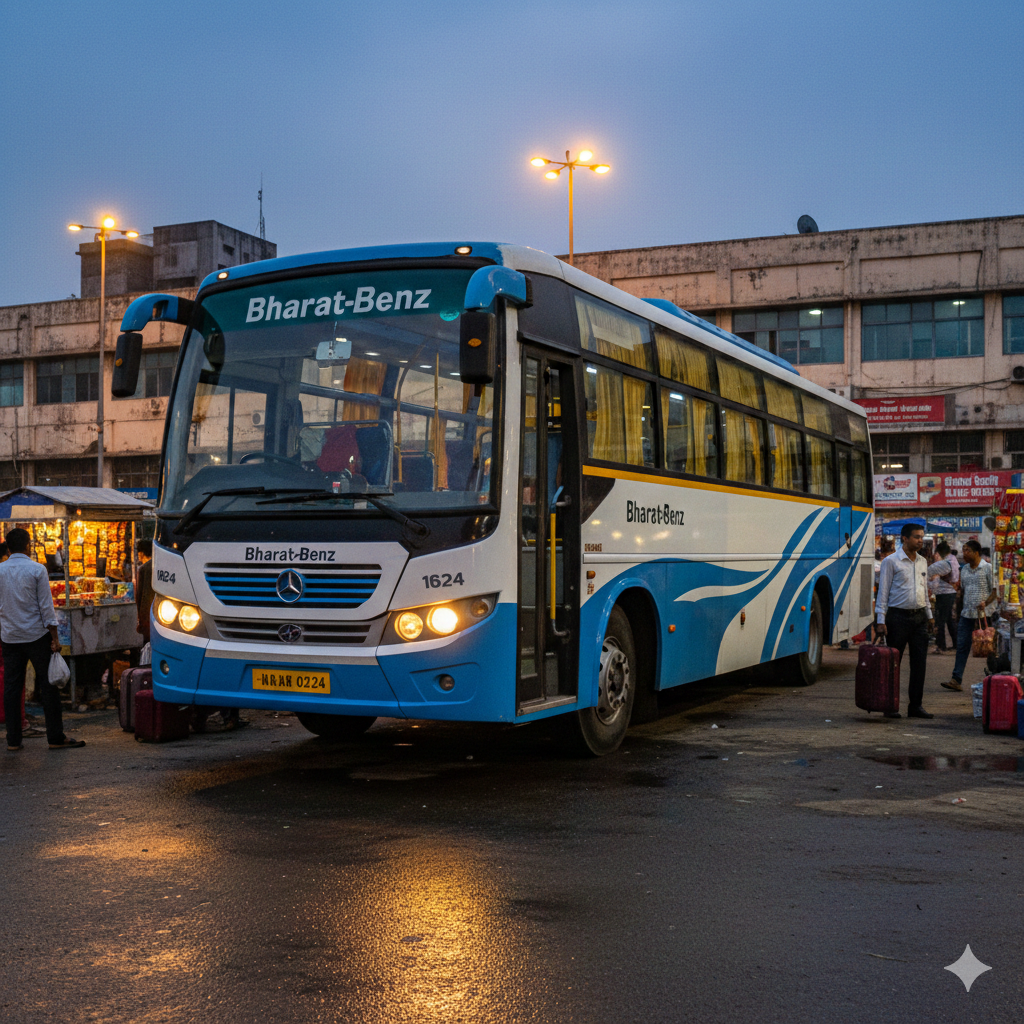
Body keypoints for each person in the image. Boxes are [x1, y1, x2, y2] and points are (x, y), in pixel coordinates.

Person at [1, 528, 83, 751]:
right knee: (48, 687)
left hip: (10, 637)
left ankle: (13, 740)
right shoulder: (37, 570)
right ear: (28, 546)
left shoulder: (0, 571)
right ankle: (55, 737)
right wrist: (55, 638)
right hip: (36, 636)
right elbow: (47, 608)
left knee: (12, 688)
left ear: (8, 548)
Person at [875, 523, 935, 719]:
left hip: (919, 618)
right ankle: (890, 706)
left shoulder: (923, 561)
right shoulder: (891, 561)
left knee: (919, 664)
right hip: (897, 618)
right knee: (893, 664)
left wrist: (929, 615)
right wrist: (881, 620)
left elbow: (924, 591)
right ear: (905, 538)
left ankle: (915, 706)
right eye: (917, 537)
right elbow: (883, 592)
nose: (920, 540)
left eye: (922, 537)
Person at [942, 540, 997, 692]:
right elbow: (962, 591)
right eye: (963, 550)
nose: (964, 554)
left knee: (988, 647)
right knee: (962, 646)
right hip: (966, 614)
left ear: (976, 553)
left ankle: (995, 678)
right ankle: (956, 679)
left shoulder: (987, 568)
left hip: (984, 615)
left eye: (967, 551)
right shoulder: (964, 569)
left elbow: (995, 591)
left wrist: (986, 603)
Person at [927, 541, 960, 653]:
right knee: (949, 620)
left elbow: (937, 578)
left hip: (944, 593)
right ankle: (955, 643)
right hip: (949, 593)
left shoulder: (946, 562)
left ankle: (941, 646)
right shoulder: (953, 560)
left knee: (940, 619)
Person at [136, 540, 154, 645]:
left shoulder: (144, 569)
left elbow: (142, 595)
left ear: (141, 554)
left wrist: (141, 619)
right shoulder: (160, 565)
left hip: (148, 616)